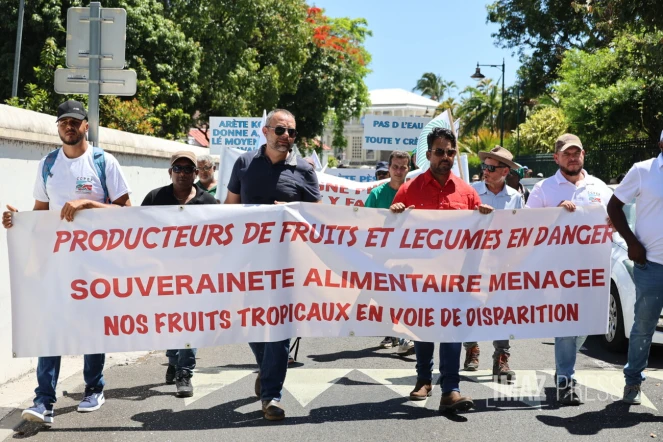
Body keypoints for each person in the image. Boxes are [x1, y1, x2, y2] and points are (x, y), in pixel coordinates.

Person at [2, 100, 132, 424]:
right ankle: (44, 401)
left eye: (75, 122)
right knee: (51, 329)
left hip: (96, 265)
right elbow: (41, 214)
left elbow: (128, 212)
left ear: (86, 126)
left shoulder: (103, 162)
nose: (69, 127)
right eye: (63, 122)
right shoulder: (48, 165)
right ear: (57, 127)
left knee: (91, 328)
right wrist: (19, 222)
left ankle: (94, 387)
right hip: (58, 263)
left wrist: (88, 202)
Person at [225, 109, 321, 421]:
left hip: (287, 264)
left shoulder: (305, 169)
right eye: (280, 130)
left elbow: (317, 215)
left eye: (292, 132)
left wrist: (292, 210)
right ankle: (266, 370)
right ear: (266, 132)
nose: (286, 137)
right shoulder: (244, 163)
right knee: (253, 323)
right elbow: (228, 208)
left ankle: (271, 396)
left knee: (280, 327)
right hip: (250, 260)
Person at [390, 127, 492, 414]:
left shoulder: (467, 191)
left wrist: (483, 216)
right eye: (439, 151)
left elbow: (481, 235)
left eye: (450, 151)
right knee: (422, 328)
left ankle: (451, 389)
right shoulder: (410, 188)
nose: (445, 156)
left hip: (456, 277)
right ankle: (424, 378)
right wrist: (396, 212)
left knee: (451, 331)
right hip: (421, 277)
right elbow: (392, 234)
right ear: (428, 155)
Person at [526, 133, 612, 406]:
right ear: (556, 158)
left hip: (593, 271)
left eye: (577, 153)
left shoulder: (599, 187)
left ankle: (564, 365)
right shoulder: (544, 189)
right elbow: (527, 227)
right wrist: (556, 213)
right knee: (566, 324)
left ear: (583, 155)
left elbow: (616, 220)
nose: (573, 158)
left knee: (587, 324)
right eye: (567, 154)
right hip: (559, 273)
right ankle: (565, 380)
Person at [141, 151, 217, 398]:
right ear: (170, 172)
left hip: (197, 278)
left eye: (188, 169)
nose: (182, 173)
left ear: (196, 174)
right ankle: (173, 359)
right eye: (178, 168)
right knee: (171, 322)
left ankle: (184, 372)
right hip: (163, 276)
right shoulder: (154, 198)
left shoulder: (209, 204)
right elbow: (134, 229)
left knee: (190, 323)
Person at [607, 130, 663, 405]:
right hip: (652, 264)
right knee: (643, 326)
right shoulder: (643, 170)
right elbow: (614, 206)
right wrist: (631, 242)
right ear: (661, 142)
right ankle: (633, 382)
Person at [464, 146, 524, 382]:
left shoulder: (515, 197)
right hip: (475, 260)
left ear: (505, 171)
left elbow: (522, 229)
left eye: (491, 167)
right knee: (471, 305)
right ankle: (471, 348)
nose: (485, 171)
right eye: (484, 166)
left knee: (501, 309)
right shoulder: (472, 192)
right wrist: (476, 214)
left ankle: (501, 357)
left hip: (502, 264)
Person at [364, 151, 414, 356]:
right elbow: (366, 224)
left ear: (408, 169)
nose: (399, 171)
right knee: (385, 295)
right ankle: (390, 331)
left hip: (407, 254)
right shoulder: (376, 194)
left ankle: (404, 336)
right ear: (389, 168)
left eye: (403, 167)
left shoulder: (414, 192)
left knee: (404, 295)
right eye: (395, 166)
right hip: (382, 254)